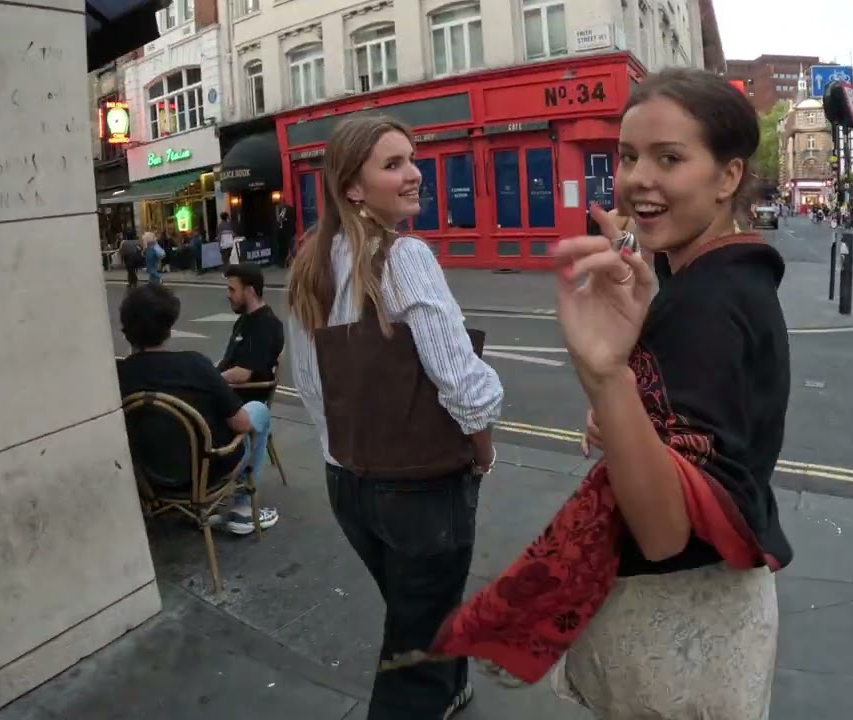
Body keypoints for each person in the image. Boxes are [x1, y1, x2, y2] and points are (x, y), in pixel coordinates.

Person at [406, 68, 793, 719]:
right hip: (718, 608)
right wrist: (624, 415)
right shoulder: (716, 274)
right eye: (630, 155)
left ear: (727, 177)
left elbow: (667, 529)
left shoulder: (707, 304)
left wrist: (606, 375)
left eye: (670, 157)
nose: (639, 177)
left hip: (676, 624)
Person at [286, 114, 503, 719]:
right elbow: (463, 384)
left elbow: (309, 383)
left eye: (411, 158)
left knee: (418, 612)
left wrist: (342, 456)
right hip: (420, 489)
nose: (414, 174)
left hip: (347, 485)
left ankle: (452, 686)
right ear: (352, 188)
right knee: (412, 648)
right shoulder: (405, 256)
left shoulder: (311, 262)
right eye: (393, 164)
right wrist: (482, 448)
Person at [117, 284, 280, 535]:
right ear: (169, 326)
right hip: (209, 472)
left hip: (151, 476)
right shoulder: (195, 365)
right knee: (257, 411)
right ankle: (243, 508)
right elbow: (241, 425)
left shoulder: (120, 375)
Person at [218, 263, 284, 384]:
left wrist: (210, 380)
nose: (228, 295)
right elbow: (228, 361)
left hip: (241, 397)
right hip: (224, 391)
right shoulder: (243, 320)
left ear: (250, 291)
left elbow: (243, 374)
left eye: (232, 290)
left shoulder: (266, 325)